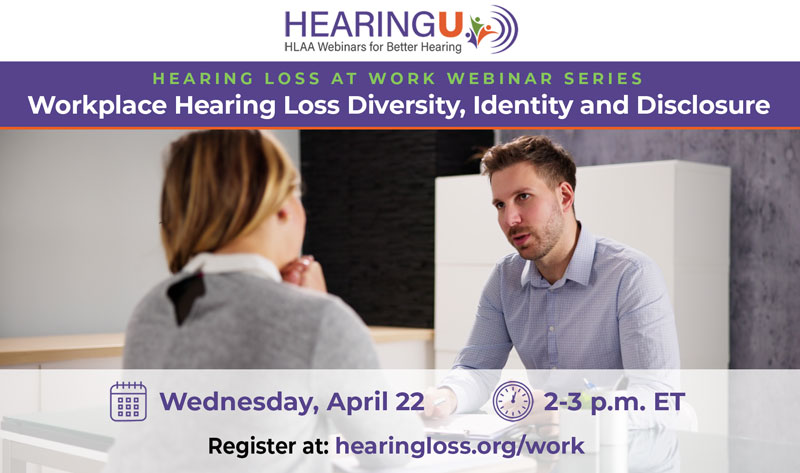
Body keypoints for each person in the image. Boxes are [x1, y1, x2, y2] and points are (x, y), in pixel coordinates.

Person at [108, 130, 420, 472]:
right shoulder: (318, 320)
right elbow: (393, 452)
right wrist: (315, 306)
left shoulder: (152, 308)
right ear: (284, 209)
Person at [426, 135, 680, 419]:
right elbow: (476, 370)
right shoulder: (505, 278)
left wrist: (566, 415)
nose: (510, 220)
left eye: (523, 197)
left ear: (565, 197)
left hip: (624, 443)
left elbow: (657, 396)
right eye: (500, 205)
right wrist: (446, 397)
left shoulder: (631, 275)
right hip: (548, 440)